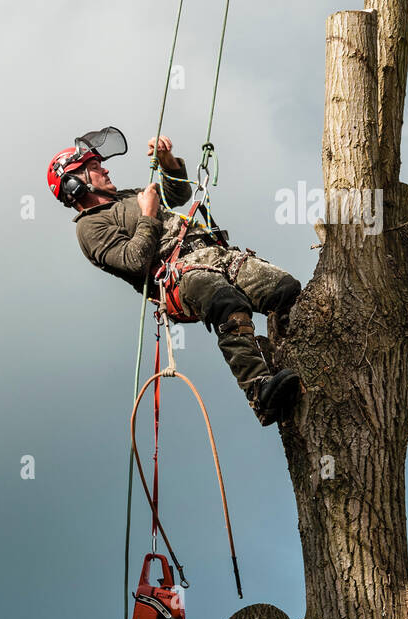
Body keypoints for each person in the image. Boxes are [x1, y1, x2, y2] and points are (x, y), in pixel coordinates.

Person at [47, 128, 303, 426]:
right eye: (93, 168)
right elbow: (134, 260)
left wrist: (168, 164)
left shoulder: (125, 197)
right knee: (226, 303)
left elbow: (177, 195)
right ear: (75, 185)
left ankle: (301, 356)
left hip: (216, 255)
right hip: (180, 276)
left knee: (286, 290)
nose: (104, 169)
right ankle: (260, 390)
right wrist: (148, 215)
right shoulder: (90, 228)